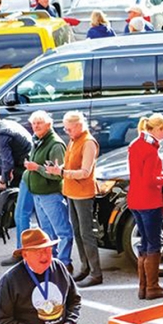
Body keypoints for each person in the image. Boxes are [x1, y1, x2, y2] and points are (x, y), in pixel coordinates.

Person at [45, 112, 100, 286]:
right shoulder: (75, 140)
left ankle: (95, 273)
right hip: (72, 191)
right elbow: (71, 165)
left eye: (69, 128)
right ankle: (85, 268)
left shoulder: (88, 142)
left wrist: (61, 172)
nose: (66, 131)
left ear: (78, 125)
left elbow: (85, 172)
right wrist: (59, 168)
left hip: (83, 193)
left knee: (86, 234)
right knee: (77, 232)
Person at [126, 114, 163, 299]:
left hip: (135, 200)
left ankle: (143, 287)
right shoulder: (150, 150)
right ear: (154, 129)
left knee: (144, 243)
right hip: (149, 201)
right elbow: (150, 179)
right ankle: (152, 288)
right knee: (154, 243)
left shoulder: (135, 145)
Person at [22, 111, 73, 275]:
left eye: (39, 123)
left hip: (50, 194)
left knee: (62, 231)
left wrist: (36, 168)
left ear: (49, 125)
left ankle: (64, 264)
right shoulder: (38, 140)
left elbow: (57, 173)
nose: (36, 126)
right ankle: (54, 263)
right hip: (38, 194)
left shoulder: (55, 145)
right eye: (34, 123)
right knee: (47, 232)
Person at [0, 105, 34, 260]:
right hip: (27, 169)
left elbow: (7, 161)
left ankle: (22, 253)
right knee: (25, 211)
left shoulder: (0, 134)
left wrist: (3, 179)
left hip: (27, 171)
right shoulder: (4, 125)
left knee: (21, 213)